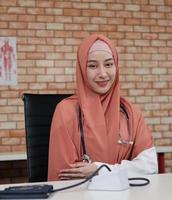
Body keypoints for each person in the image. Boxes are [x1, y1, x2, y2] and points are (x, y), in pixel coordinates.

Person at [48, 34, 158, 181]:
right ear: (82, 69)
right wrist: (124, 170)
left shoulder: (131, 113)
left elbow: (149, 166)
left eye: (108, 64)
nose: (103, 73)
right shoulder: (66, 111)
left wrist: (100, 170)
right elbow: (66, 176)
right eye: (92, 66)